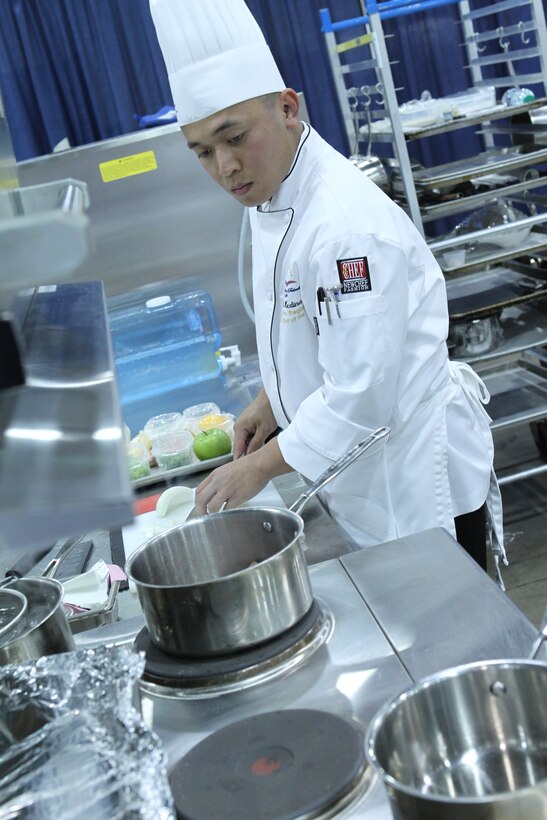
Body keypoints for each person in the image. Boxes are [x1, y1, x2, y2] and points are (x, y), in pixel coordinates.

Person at [149, 0, 505, 578]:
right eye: (203, 152)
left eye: (234, 137)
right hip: (359, 476)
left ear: (287, 107)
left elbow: (362, 393)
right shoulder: (274, 190)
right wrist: (271, 401)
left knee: (456, 637)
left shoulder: (345, 227)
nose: (225, 167)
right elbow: (313, 325)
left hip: (412, 483)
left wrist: (259, 467)